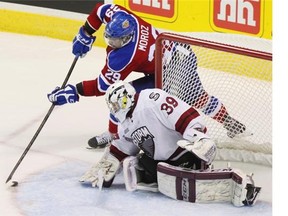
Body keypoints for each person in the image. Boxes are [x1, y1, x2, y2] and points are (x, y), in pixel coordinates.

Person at [47, 3, 248, 149]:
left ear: (127, 38)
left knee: (193, 97)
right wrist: (86, 32)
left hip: (177, 64)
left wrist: (75, 90)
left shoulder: (128, 55)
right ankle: (113, 134)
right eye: (108, 38)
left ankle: (229, 123)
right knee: (121, 99)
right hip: (167, 56)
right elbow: (101, 9)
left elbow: (102, 86)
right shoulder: (126, 18)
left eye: (115, 41)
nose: (110, 43)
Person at [78, 81, 261, 207]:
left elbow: (183, 115)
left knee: (170, 176)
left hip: (185, 154)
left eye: (115, 106)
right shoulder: (125, 124)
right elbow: (123, 147)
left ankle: (239, 185)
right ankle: (164, 177)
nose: (114, 110)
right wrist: (108, 164)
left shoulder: (151, 99)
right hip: (161, 163)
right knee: (141, 168)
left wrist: (198, 137)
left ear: (124, 99)